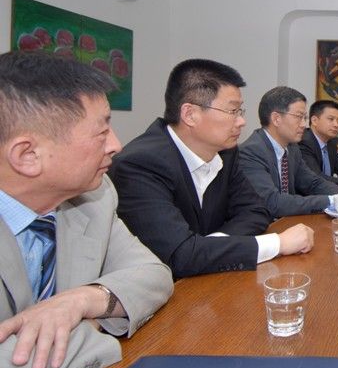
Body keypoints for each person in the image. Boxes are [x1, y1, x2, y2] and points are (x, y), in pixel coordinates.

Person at [0, 52, 173, 368]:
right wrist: (95, 329)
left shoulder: (95, 196)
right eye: (102, 132)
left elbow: (154, 275)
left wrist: (81, 301)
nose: (116, 145)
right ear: (27, 155)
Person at [110, 60, 313, 279]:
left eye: (240, 111)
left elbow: (256, 211)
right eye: (233, 111)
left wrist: (207, 248)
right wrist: (277, 243)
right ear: (190, 114)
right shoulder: (138, 164)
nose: (242, 121)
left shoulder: (226, 153)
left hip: (209, 282)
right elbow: (179, 255)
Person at [239, 87, 338, 218]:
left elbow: (312, 182)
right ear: (276, 119)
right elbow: (273, 202)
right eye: (299, 117)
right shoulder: (251, 151)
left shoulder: (292, 148)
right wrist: (332, 200)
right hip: (262, 225)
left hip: (287, 222)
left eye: (305, 117)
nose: (304, 124)